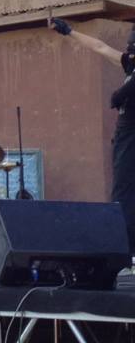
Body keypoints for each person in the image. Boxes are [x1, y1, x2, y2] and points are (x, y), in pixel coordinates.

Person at [51, 19, 135, 253]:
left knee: (124, 193)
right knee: (123, 192)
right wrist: (69, 31)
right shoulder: (129, 65)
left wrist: (122, 92)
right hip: (124, 137)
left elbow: (122, 94)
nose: (129, 52)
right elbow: (101, 47)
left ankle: (127, 250)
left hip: (132, 136)